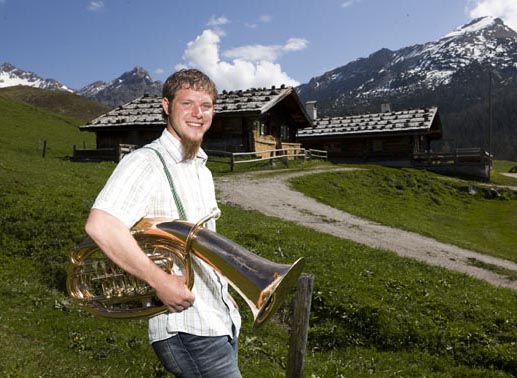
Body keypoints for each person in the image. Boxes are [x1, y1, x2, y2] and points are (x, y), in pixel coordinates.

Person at [84, 69, 242, 377]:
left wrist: (224, 294)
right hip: (185, 327)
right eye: (188, 104)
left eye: (206, 106)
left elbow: (202, 244)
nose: (198, 114)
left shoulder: (201, 169)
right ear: (167, 106)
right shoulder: (146, 162)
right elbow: (101, 225)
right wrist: (159, 282)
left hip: (218, 318)